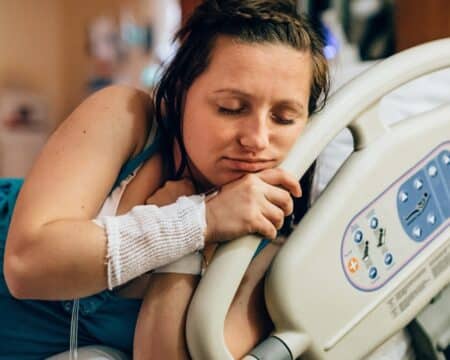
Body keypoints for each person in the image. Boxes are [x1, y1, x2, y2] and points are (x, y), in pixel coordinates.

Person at [0, 0, 329, 359]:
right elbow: (27, 264)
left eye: (283, 118)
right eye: (231, 109)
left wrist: (189, 236)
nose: (257, 139)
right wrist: (200, 219)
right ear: (182, 93)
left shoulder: (269, 252)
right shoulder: (126, 119)